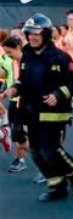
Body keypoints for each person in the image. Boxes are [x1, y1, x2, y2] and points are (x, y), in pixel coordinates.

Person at [10, 14, 73, 202]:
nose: (33, 37)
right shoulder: (26, 55)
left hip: (54, 114)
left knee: (50, 150)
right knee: (36, 152)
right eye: (30, 34)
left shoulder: (60, 57)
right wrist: (14, 88)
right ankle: (57, 186)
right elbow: (24, 81)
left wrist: (58, 95)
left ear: (45, 34)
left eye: (37, 34)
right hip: (32, 112)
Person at [1, 36, 30, 172]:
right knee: (17, 133)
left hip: (27, 102)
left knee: (22, 133)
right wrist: (6, 92)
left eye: (9, 52)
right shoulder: (11, 60)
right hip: (15, 100)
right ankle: (21, 159)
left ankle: (50, 161)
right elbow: (8, 77)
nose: (7, 55)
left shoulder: (29, 60)